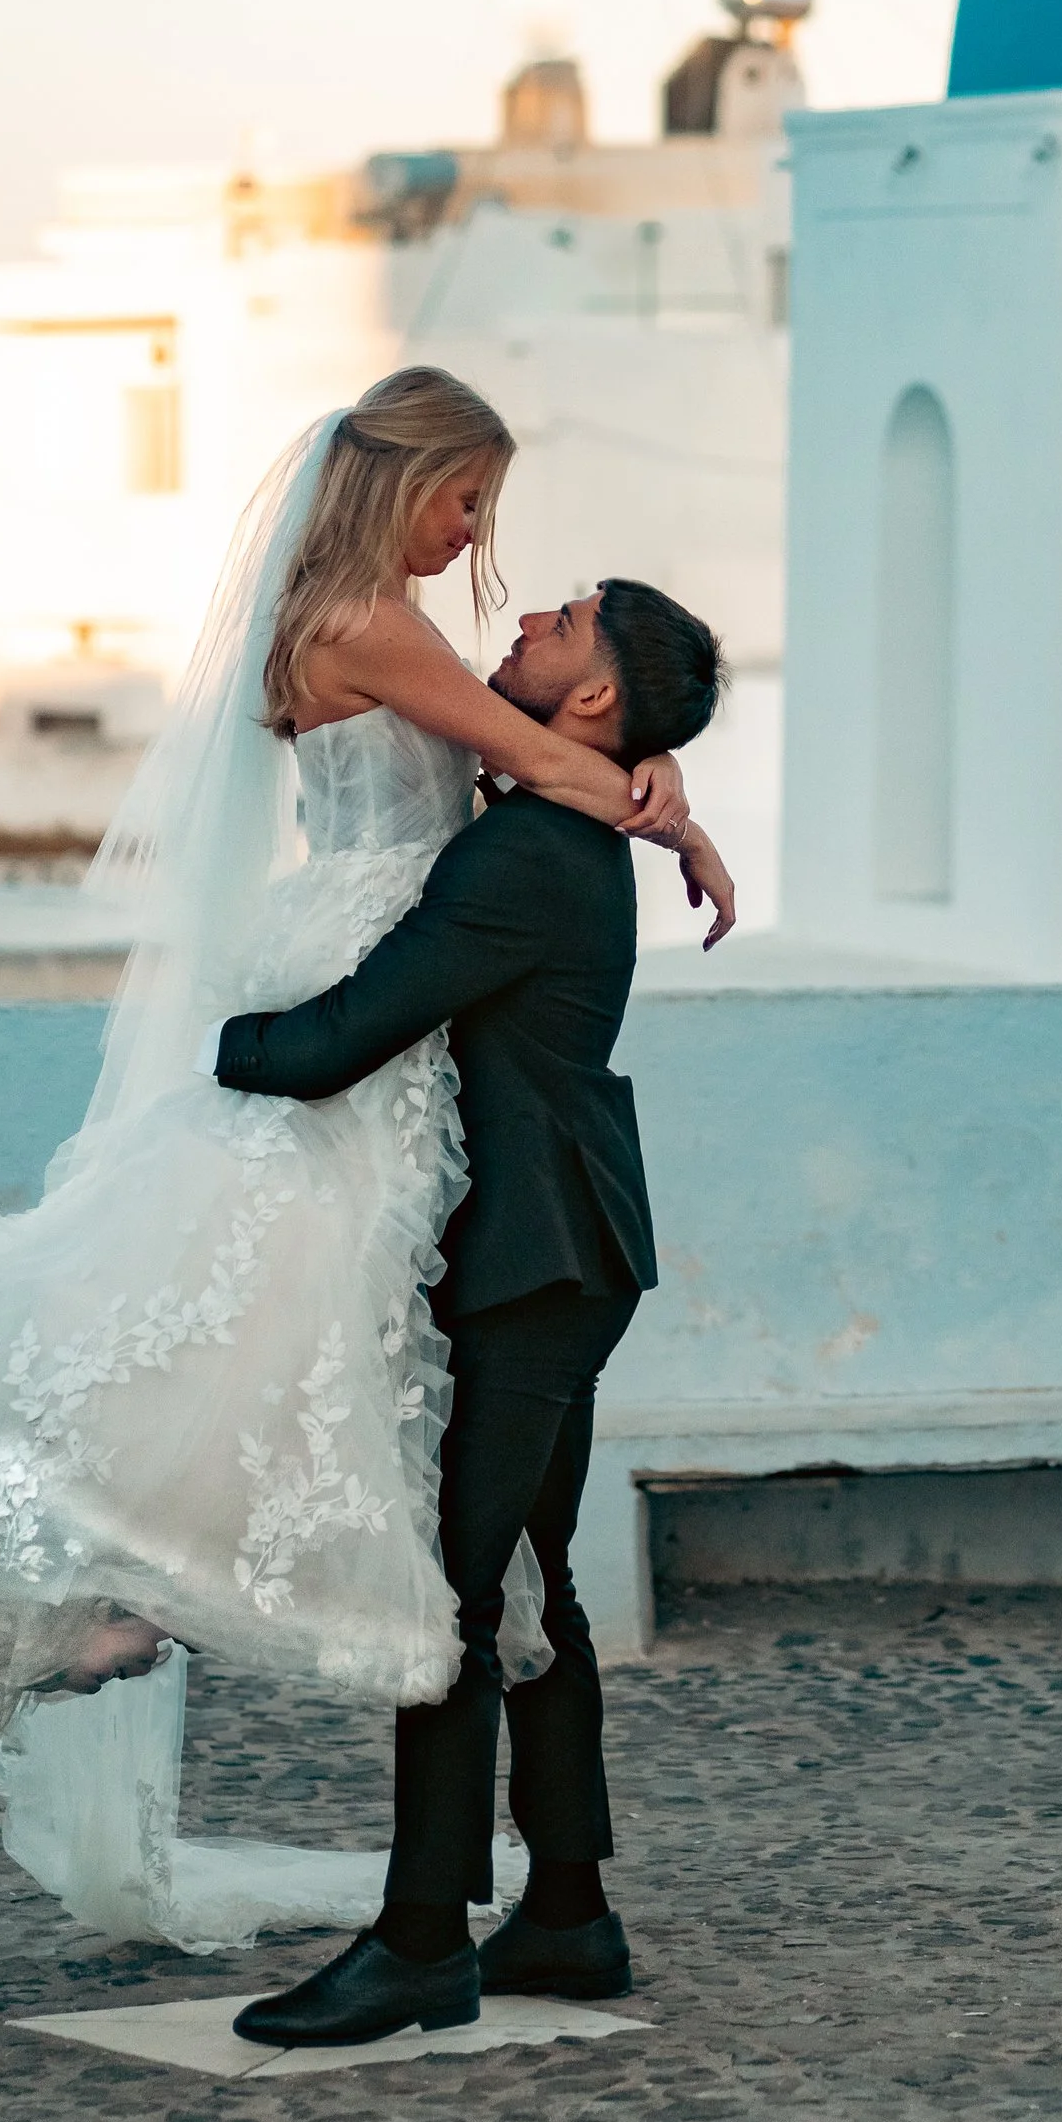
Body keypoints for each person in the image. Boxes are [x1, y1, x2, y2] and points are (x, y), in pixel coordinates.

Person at [0, 369, 734, 1948]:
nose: (478, 546)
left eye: (499, 536)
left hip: (491, 1165)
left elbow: (534, 772)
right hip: (434, 1084)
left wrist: (647, 774)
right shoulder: (382, 634)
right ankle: (505, 1892)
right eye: (465, 502)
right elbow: (541, 760)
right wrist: (662, 799)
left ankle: (476, 1914)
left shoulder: (410, 692)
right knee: (443, 1528)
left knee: (457, 1544)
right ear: (408, 473)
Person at [208, 577, 722, 2047]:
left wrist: (206, 1047)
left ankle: (424, 1939)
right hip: (566, 1248)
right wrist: (668, 796)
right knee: (526, 1586)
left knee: (449, 1591)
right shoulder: (560, 818)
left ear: (600, 693)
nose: (525, 620)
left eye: (560, 620)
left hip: (532, 1260)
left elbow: (345, 1037)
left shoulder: (523, 858)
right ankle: (567, 1911)